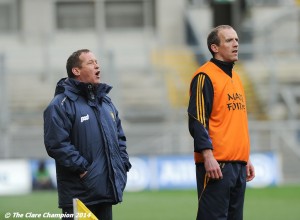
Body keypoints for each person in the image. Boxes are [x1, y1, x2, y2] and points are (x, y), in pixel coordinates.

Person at [43, 49, 131, 220]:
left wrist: (122, 163)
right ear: (76, 71)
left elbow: (119, 137)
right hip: (79, 194)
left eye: (97, 62)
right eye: (90, 62)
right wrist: (84, 169)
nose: (97, 65)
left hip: (105, 190)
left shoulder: (105, 102)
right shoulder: (60, 104)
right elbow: (56, 144)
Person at [187, 25, 255, 220]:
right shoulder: (204, 76)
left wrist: (245, 158)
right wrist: (207, 155)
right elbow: (197, 120)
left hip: (238, 165)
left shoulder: (236, 78)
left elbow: (235, 121)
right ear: (214, 48)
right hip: (218, 165)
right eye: (229, 40)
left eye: (237, 40)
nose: (236, 44)